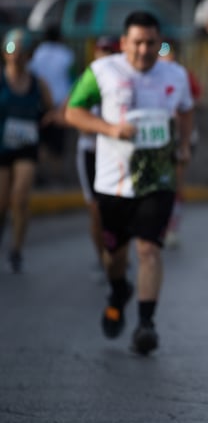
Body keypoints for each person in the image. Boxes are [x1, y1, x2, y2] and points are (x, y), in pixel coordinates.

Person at [65, 11, 194, 356]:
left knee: (149, 249)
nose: (144, 50)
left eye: (151, 42)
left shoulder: (175, 74)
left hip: (157, 178)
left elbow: (185, 109)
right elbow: (73, 111)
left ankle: (146, 323)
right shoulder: (102, 71)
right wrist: (109, 129)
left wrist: (182, 144)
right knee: (115, 255)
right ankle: (119, 289)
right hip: (114, 182)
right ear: (124, 43)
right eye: (137, 42)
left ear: (159, 42)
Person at [0, 28, 58, 272]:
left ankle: (17, 249)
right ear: (4, 53)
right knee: (1, 202)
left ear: (29, 55)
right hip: (2, 147)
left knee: (20, 198)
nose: (16, 56)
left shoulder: (38, 84)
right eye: (12, 50)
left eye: (21, 51)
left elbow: (50, 113)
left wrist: (45, 141)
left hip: (27, 146)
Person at [75, 35, 120, 278]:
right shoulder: (87, 81)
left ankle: (117, 255)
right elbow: (73, 115)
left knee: (116, 210)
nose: (105, 55)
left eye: (110, 51)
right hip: (91, 153)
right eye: (101, 50)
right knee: (95, 211)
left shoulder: (121, 83)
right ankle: (102, 258)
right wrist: (107, 128)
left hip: (114, 155)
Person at [158, 39, 203, 249]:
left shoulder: (181, 74)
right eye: (162, 52)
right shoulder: (148, 74)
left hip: (180, 139)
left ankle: (172, 227)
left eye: (168, 52)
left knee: (176, 182)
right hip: (157, 139)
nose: (166, 56)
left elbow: (195, 99)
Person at [28, 24, 75, 184]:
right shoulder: (66, 54)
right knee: (58, 146)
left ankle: (41, 176)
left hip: (40, 105)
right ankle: (57, 178)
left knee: (42, 142)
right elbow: (72, 79)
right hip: (59, 105)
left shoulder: (37, 54)